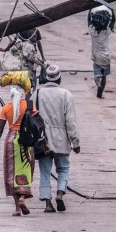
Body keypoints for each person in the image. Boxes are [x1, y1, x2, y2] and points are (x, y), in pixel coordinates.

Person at [34, 65, 80, 213]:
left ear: (45, 78)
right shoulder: (66, 95)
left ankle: (48, 203)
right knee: (63, 168)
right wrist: (75, 142)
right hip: (61, 140)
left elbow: (30, 118)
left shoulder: (36, 94)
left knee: (45, 172)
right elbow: (71, 121)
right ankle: (60, 193)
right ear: (59, 78)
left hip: (43, 141)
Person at [0, 77, 33, 216]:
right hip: (26, 141)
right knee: (25, 170)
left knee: (11, 174)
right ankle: (23, 198)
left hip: (11, 141)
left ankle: (17, 209)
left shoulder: (6, 108)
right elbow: (36, 124)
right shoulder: (29, 106)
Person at [87, 5, 115, 98]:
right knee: (104, 76)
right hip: (106, 57)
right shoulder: (106, 32)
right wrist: (111, 9)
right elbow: (113, 21)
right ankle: (100, 93)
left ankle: (98, 84)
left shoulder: (93, 32)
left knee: (97, 75)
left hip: (96, 57)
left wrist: (90, 8)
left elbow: (89, 21)